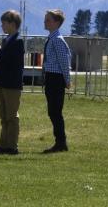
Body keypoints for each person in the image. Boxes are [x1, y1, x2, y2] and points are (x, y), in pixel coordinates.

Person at [0, 10, 24, 155]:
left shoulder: (18, 41)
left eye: (4, 23)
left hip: (12, 84)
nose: (2, 25)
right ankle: (3, 145)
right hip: (3, 83)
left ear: (12, 24)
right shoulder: (8, 39)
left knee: (11, 116)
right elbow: (5, 58)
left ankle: (12, 146)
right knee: (3, 115)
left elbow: (12, 62)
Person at [42, 9, 72, 153]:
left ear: (57, 23)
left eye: (48, 20)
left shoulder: (58, 40)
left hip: (56, 79)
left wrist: (67, 80)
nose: (45, 22)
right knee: (52, 111)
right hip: (51, 78)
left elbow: (64, 63)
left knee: (55, 112)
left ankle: (61, 142)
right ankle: (59, 142)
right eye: (45, 19)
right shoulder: (52, 38)